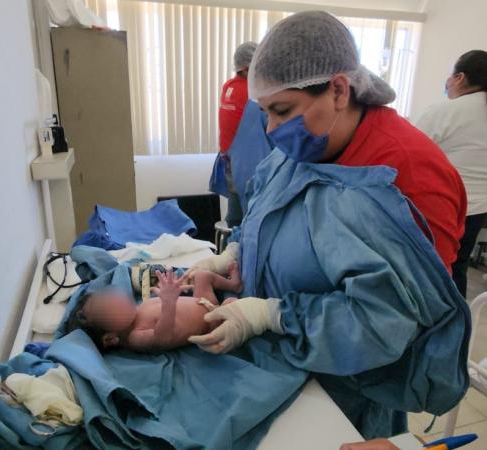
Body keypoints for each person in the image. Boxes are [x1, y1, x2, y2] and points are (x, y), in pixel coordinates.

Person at [187, 11, 470, 440]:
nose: (271, 128)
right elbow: (268, 208)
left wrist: (272, 314)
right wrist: (237, 253)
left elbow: (391, 319)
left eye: (281, 110)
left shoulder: (408, 175)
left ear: (338, 89)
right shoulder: (306, 143)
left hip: (348, 388)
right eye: (264, 112)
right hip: (279, 368)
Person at [415, 50, 487, 298]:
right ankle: (455, 329)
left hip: (441, 207)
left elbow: (407, 152)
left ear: (460, 78)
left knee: (425, 268)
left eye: (450, 75)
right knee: (458, 268)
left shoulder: (445, 111)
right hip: (477, 209)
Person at [66, 266, 242, 352]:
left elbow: (154, 298)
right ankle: (244, 304)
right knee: (231, 305)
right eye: (108, 308)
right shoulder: (135, 337)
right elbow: (163, 337)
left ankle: (234, 284)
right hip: (211, 324)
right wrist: (169, 302)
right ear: (110, 339)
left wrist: (165, 288)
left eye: (109, 297)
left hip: (201, 301)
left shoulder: (138, 308)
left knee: (201, 275)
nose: (115, 299)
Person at [218, 41, 258, 227]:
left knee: (235, 215)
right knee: (250, 217)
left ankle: (230, 251)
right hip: (245, 161)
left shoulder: (228, 86)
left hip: (229, 158)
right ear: (248, 67)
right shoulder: (251, 91)